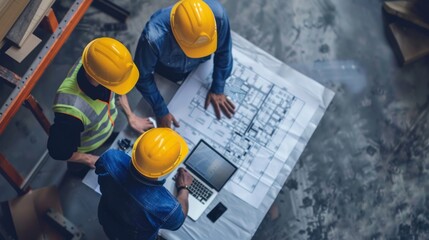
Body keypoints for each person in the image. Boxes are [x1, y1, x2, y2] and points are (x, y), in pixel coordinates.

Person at [47, 37, 153, 174]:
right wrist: (90, 159)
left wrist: (130, 116)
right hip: (86, 147)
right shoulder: (70, 114)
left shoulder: (95, 61)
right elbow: (58, 151)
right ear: (102, 80)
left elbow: (119, 87)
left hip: (100, 130)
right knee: (78, 171)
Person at [135, 0, 236, 128]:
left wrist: (218, 86)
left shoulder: (218, 18)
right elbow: (142, 76)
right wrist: (160, 110)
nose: (196, 54)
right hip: (167, 72)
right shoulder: (153, 39)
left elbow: (224, 51)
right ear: (176, 36)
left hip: (199, 68)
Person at [95, 128, 194, 239]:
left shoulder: (110, 158)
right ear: (168, 169)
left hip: (107, 219)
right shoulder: (167, 209)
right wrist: (184, 188)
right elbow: (178, 221)